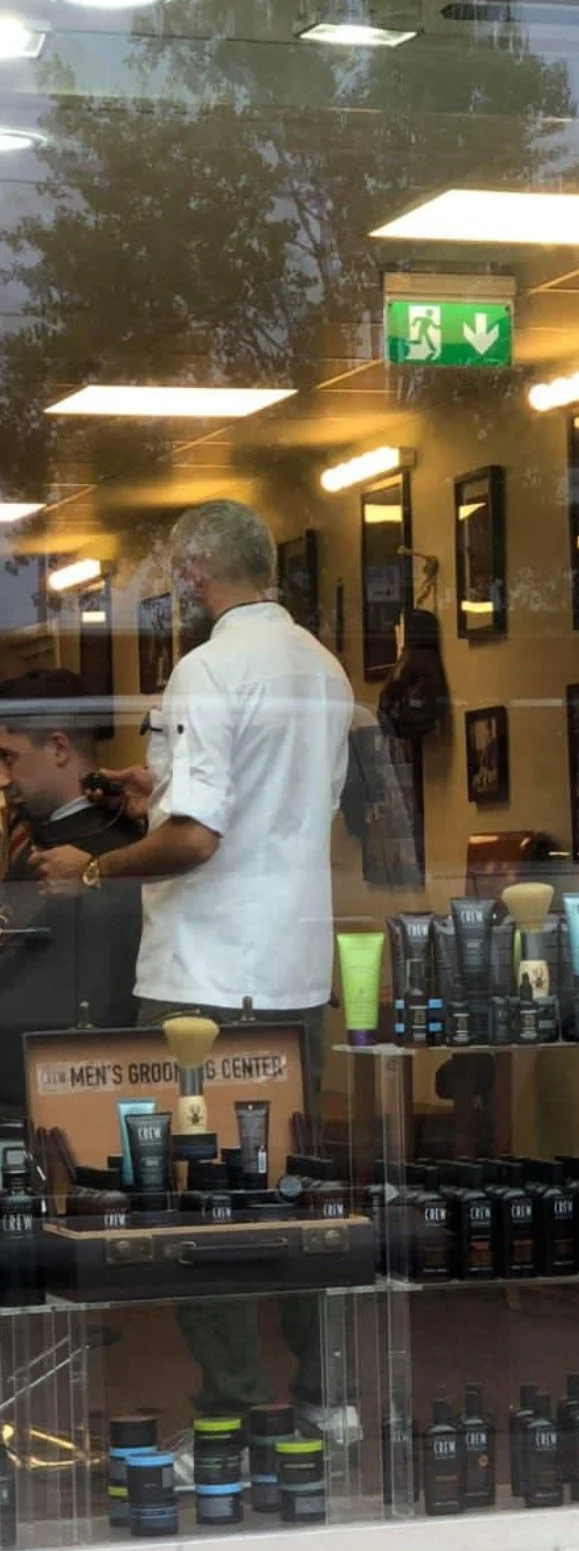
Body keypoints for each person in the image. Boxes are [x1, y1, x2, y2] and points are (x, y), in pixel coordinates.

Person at [34, 499, 354, 1449]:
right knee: (290, 1197)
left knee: (193, 1202)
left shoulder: (207, 670)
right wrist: (156, 790)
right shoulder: (323, 668)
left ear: (191, 575)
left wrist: (93, 868)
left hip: (205, 977)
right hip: (295, 973)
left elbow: (198, 840)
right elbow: (272, 809)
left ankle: (235, 1414)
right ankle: (324, 1401)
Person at [0, 669, 142, 1120]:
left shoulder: (109, 853)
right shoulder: (39, 837)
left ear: (59, 747)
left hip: (56, 1083)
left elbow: (98, 995)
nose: (3, 778)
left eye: (9, 757)